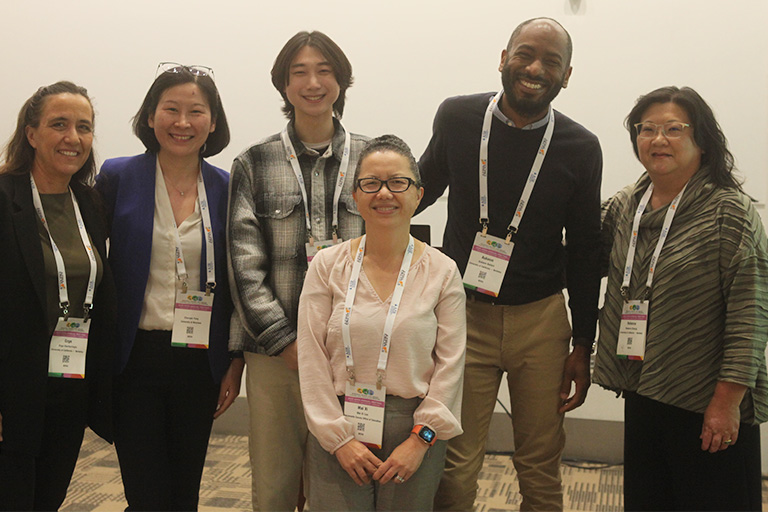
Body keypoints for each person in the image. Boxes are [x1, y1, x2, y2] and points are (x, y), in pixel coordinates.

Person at [417, 17, 602, 511]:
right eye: (525, 54)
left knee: (539, 465)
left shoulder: (580, 148)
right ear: (503, 58)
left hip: (540, 322)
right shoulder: (457, 117)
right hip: (462, 317)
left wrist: (583, 342)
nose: (535, 68)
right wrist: (357, 228)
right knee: (454, 464)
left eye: (552, 62)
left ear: (566, 76)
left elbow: (585, 249)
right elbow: (420, 188)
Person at [594, 86, 768, 511]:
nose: (658, 139)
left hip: (707, 398)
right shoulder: (625, 207)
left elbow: (751, 314)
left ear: (702, 141)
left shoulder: (730, 213)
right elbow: (578, 255)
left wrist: (726, 402)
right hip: (644, 388)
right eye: (647, 128)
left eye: (674, 129)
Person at [227, 30, 368, 511]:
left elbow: (391, 256)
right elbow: (245, 269)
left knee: (343, 484)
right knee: (275, 486)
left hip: (356, 354)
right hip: (276, 357)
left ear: (342, 81)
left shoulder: (373, 159)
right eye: (300, 73)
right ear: (283, 85)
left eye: (324, 71)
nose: (313, 82)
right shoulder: (253, 162)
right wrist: (289, 345)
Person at [95, 63, 242, 511]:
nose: (182, 123)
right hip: (134, 356)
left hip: (199, 361)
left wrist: (234, 361)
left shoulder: (227, 187)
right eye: (170, 109)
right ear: (150, 116)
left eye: (195, 111)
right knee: (145, 490)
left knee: (185, 490)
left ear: (212, 122)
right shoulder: (118, 177)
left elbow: (237, 281)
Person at [297, 135, 466, 511]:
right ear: (355, 197)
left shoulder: (442, 271)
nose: (384, 194)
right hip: (338, 422)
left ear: (419, 194)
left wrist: (421, 439)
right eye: (371, 183)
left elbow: (451, 367)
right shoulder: (327, 266)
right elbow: (311, 359)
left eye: (398, 183)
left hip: (414, 431)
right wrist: (337, 438)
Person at [0, 81, 116, 510]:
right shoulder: (4, 198)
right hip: (12, 388)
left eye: (83, 127)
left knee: (46, 499)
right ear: (31, 134)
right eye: (59, 124)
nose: (73, 138)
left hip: (68, 385)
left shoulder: (88, 202)